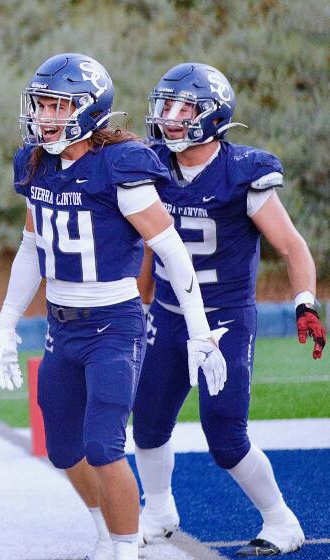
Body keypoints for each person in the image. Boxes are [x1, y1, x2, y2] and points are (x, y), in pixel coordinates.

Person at [0, 53, 228, 560]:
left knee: (104, 445)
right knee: (63, 450)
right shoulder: (35, 164)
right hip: (60, 326)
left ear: (89, 108)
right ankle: (107, 532)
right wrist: (6, 323)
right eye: (41, 105)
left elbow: (170, 249)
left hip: (114, 325)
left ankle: (126, 549)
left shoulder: (121, 164)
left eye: (58, 106)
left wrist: (200, 331)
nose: (45, 117)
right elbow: (33, 247)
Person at [133, 62, 326, 556]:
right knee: (148, 421)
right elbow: (152, 245)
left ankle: (281, 522)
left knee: (225, 436)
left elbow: (292, 246)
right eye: (166, 106)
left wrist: (305, 302)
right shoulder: (153, 164)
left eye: (184, 109)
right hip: (172, 317)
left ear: (212, 116)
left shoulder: (242, 172)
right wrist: (142, 299)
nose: (170, 118)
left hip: (223, 319)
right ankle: (158, 511)